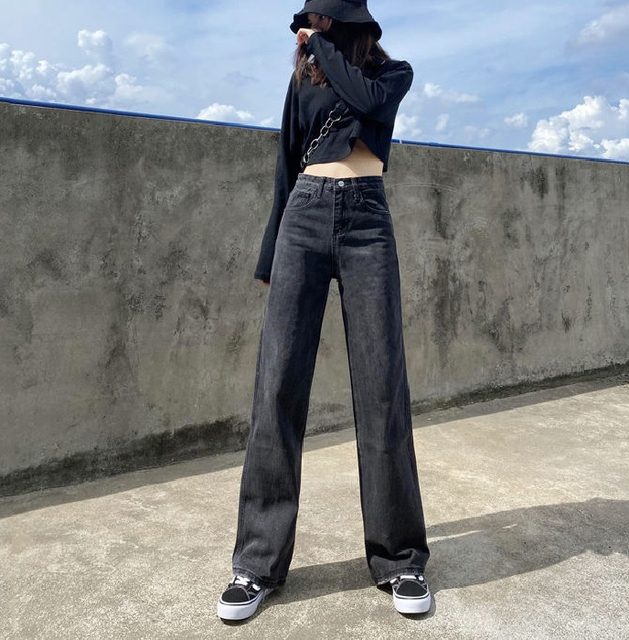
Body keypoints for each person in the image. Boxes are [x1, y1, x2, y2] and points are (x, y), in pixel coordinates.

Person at [217, 0, 431, 621]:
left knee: (382, 387)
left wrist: (321, 46)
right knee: (277, 385)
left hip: (368, 221)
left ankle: (399, 559)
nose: (308, 32)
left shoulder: (392, 74)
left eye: (321, 21)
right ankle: (257, 565)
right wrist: (270, 254)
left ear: (349, 26)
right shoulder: (303, 81)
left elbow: (366, 101)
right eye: (309, 25)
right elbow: (287, 161)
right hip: (303, 218)